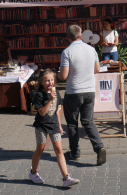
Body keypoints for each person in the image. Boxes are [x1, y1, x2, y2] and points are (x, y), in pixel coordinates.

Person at [58, 25, 106, 165]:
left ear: (68, 36)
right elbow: (97, 69)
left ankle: (75, 152)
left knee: (72, 124)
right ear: (81, 35)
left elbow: (63, 75)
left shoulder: (67, 52)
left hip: (73, 91)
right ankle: (99, 147)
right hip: (90, 90)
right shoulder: (91, 50)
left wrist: (58, 73)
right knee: (88, 121)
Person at [30, 69, 80, 187]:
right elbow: (42, 112)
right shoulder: (39, 95)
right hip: (41, 126)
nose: (50, 83)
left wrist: (59, 125)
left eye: (52, 80)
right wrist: (50, 100)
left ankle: (66, 177)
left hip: (53, 125)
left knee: (59, 150)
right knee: (40, 150)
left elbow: (57, 110)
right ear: (41, 82)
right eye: (47, 81)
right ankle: (33, 172)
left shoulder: (56, 92)